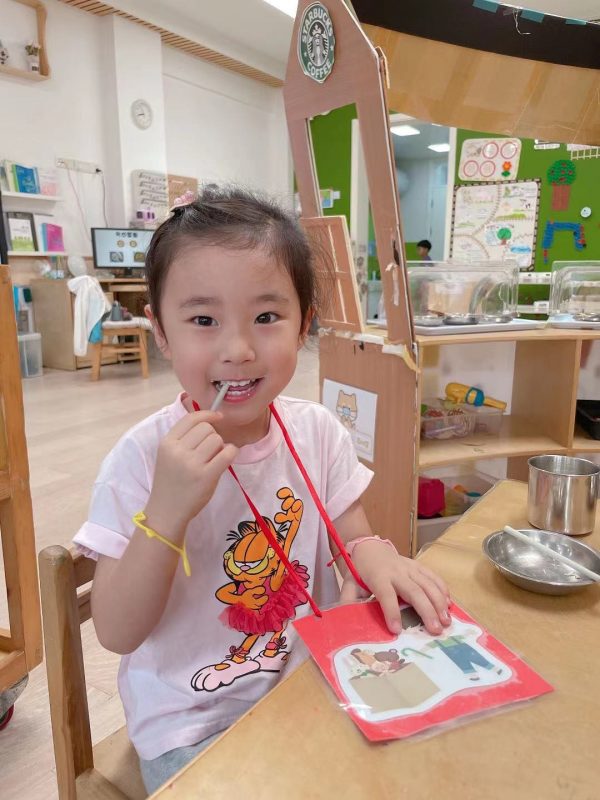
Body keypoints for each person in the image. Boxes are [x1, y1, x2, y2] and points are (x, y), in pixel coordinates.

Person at [73, 186, 450, 794]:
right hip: (192, 722)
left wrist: (375, 554)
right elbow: (116, 633)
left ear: (305, 324)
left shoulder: (317, 431)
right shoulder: (139, 459)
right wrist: (165, 513)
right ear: (161, 332)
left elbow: (351, 538)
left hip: (313, 679)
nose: (239, 350)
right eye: (203, 320)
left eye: (267, 317)